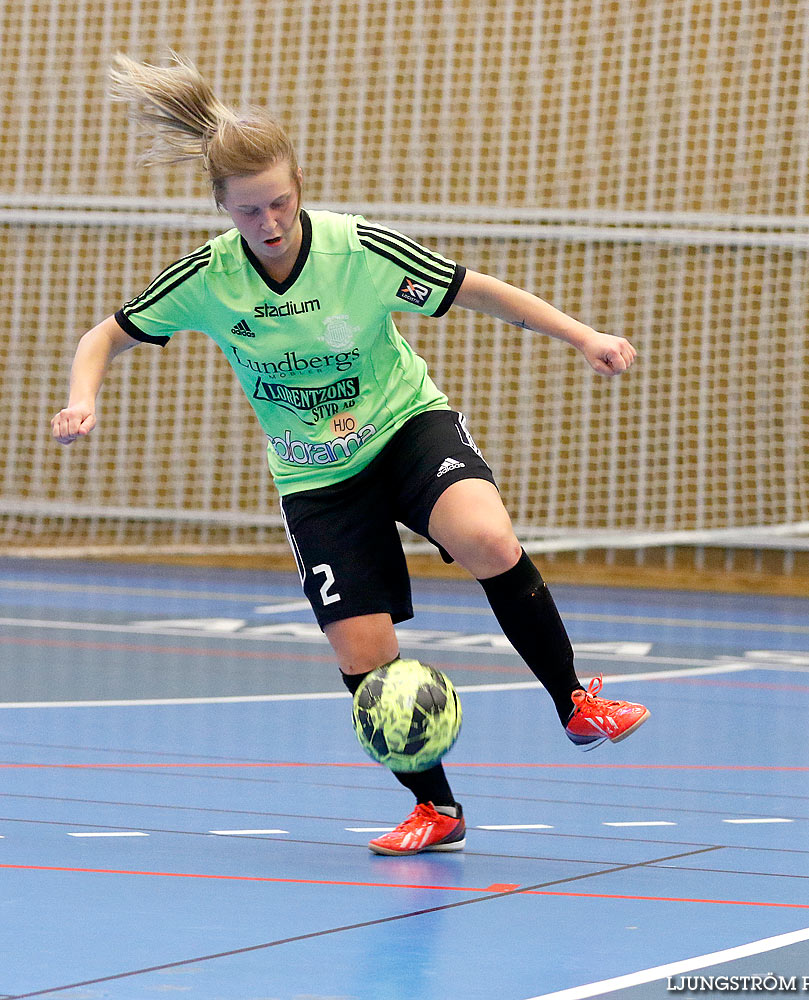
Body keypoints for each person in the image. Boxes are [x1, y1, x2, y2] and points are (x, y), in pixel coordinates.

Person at [51, 53, 648, 856]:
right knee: (362, 650)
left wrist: (584, 336)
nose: (268, 223)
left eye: (280, 203)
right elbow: (106, 336)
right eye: (248, 211)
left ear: (300, 185)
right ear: (222, 207)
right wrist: (85, 396)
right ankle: (437, 809)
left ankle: (575, 701)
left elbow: (477, 289)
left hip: (405, 428)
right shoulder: (209, 279)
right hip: (316, 475)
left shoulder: (357, 250)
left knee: (487, 539)